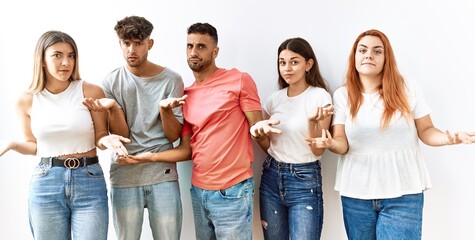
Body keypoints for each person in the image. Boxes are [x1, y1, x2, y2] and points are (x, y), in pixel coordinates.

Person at [306, 29, 475, 239]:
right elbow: (342, 143)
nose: (369, 55)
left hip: (403, 193)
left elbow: (427, 130)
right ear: (355, 57)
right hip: (356, 194)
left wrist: (449, 139)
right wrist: (331, 143)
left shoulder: (406, 87)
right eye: (363, 50)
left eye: (377, 51)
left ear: (386, 59)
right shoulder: (342, 95)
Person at [0, 30, 113, 240]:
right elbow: (33, 146)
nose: (66, 62)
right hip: (46, 182)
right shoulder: (26, 100)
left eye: (71, 55)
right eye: (57, 55)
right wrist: (13, 144)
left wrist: (107, 140)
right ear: (42, 60)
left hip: (89, 179)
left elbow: (100, 135)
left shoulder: (91, 92)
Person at [157, 22, 263, 239]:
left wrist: (264, 132)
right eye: (189, 46)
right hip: (198, 190)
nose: (194, 52)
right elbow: (183, 145)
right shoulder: (186, 94)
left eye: (201, 47)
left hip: (232, 190)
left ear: (215, 51)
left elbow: (257, 128)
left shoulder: (239, 80)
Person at [84, 16, 185, 240]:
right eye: (126, 43)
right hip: (124, 174)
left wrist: (165, 110)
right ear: (119, 43)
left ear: (150, 44)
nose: (132, 49)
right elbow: (122, 136)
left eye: (138, 43)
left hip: (162, 174)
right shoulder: (110, 81)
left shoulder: (171, 80)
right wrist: (113, 108)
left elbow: (174, 135)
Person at [249, 37, 333, 239]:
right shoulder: (274, 100)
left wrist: (312, 123)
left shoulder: (320, 97)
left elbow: (318, 150)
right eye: (282, 62)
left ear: (308, 64)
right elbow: (269, 146)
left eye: (294, 62)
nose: (287, 68)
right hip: (271, 175)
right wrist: (260, 137)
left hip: (304, 179)